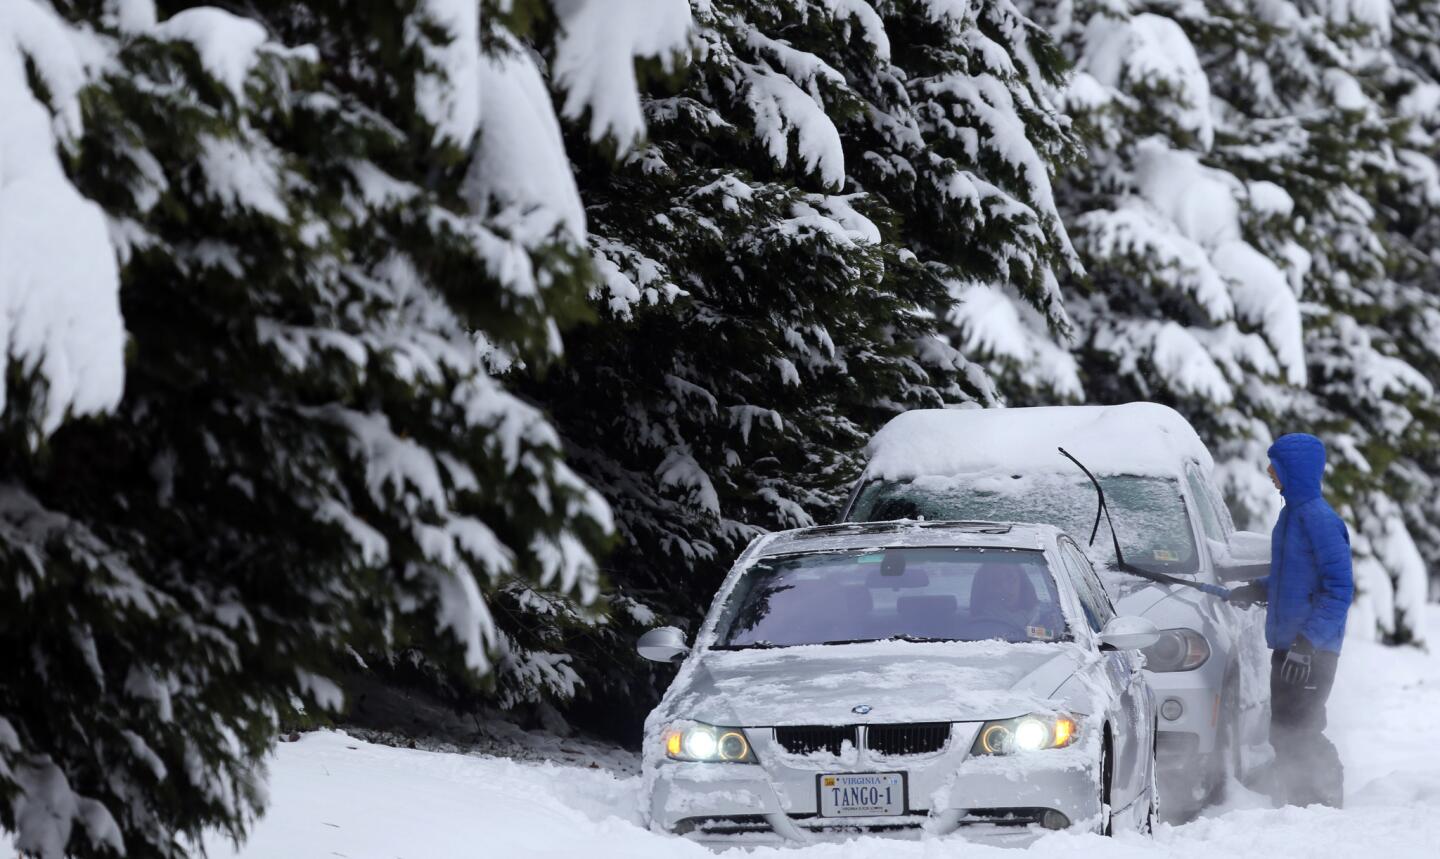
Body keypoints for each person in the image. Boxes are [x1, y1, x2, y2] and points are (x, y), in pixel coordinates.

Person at [1228, 433, 1354, 808]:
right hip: (1290, 646)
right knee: (1283, 730)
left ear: (1294, 470)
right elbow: (1295, 579)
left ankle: (1325, 798)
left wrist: (1308, 642)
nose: (1269, 471)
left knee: (1303, 730)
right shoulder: (1291, 517)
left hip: (1311, 650)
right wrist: (1256, 590)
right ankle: (1300, 798)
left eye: (1275, 464)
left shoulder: (1320, 520)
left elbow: (1339, 590)